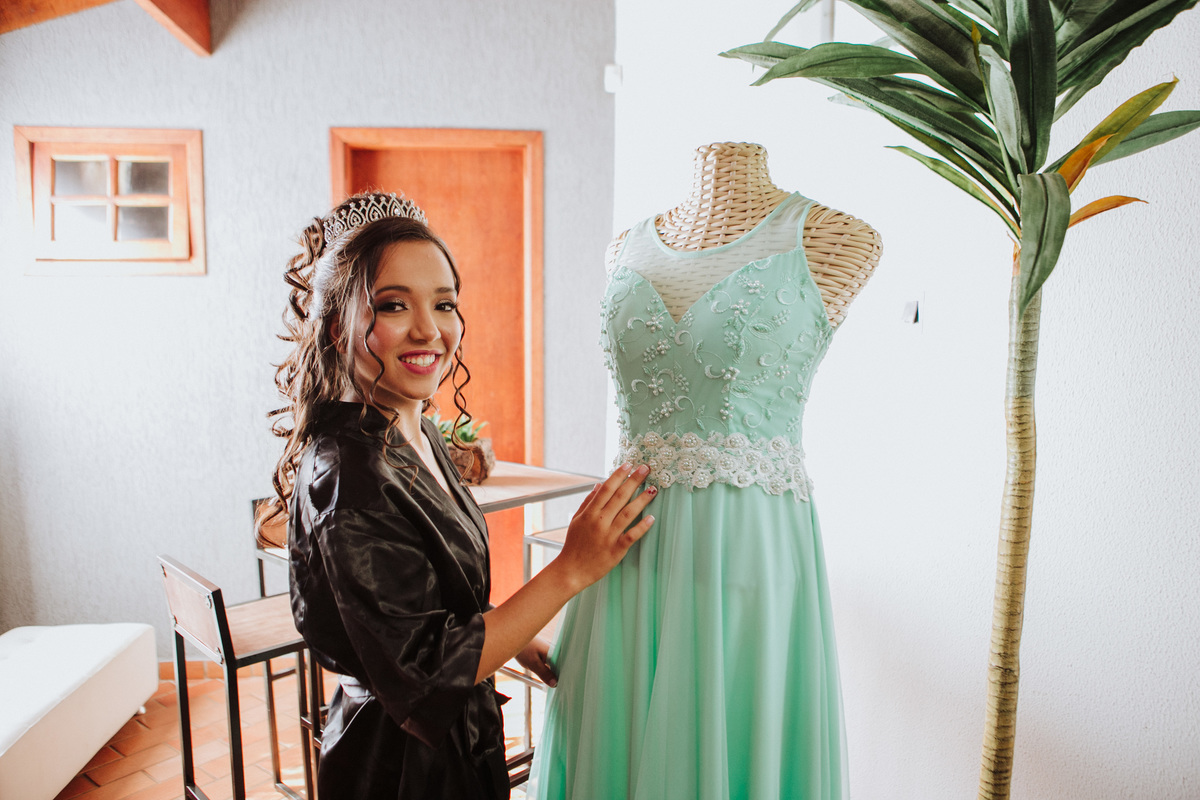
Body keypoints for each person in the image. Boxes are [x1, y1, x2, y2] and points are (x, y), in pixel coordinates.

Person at [259, 191, 657, 799]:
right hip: (399, 770)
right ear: (337, 327)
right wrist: (570, 569)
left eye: (444, 303)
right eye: (394, 305)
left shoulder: (413, 428)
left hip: (452, 747)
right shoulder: (349, 474)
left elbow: (420, 595)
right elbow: (422, 672)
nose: (429, 329)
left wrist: (512, 639)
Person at [529, 143, 881, 799]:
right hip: (623, 549)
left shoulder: (834, 238)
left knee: (731, 723)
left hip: (742, 546)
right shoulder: (625, 246)